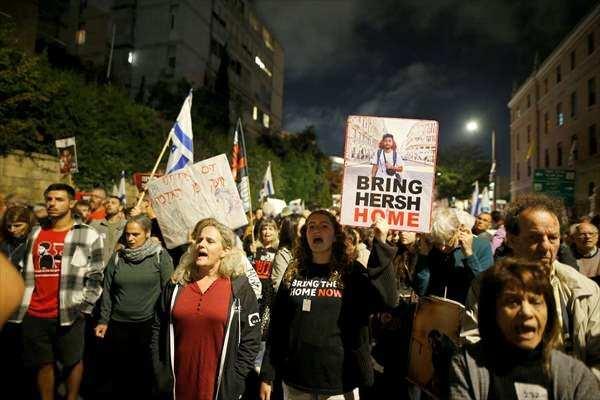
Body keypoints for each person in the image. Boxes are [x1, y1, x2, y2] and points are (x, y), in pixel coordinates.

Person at [259, 211, 398, 400]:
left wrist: (381, 243)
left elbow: (387, 300)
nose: (317, 230)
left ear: (335, 236)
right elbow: (279, 324)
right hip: (297, 381)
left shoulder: (351, 272)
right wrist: (267, 374)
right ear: (305, 235)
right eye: (311, 226)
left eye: (324, 226)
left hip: (339, 383)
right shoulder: (294, 271)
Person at [465, 193, 600, 379]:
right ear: (512, 240)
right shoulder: (486, 286)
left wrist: (579, 389)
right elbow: (473, 343)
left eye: (552, 238)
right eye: (534, 238)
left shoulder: (585, 289)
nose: (545, 247)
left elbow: (596, 357)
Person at [450, 258, 600, 399]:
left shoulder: (576, 376)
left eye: (535, 302)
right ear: (492, 311)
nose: (527, 312)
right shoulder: (467, 368)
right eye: (512, 302)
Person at [9, 183, 104, 400]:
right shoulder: (35, 233)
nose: (52, 203)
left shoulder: (88, 235)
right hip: (34, 312)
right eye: (49, 199)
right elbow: (24, 269)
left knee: (73, 360)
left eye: (59, 199)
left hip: (70, 310)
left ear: (71, 203)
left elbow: (96, 275)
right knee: (43, 363)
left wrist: (84, 308)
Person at [151, 218, 260, 400]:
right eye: (199, 240)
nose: (201, 244)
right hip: (177, 387)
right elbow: (157, 328)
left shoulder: (239, 287)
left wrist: (234, 380)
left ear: (225, 251)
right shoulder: (177, 284)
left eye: (210, 241)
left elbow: (251, 339)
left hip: (218, 390)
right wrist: (160, 372)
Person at [95, 214, 173, 398]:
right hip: (118, 325)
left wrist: (164, 323)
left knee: (144, 375)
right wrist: (103, 320)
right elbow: (107, 290)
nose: (130, 238)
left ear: (147, 233)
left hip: (148, 326)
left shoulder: (159, 256)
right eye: (127, 234)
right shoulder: (118, 257)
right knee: (120, 376)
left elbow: (168, 292)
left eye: (135, 234)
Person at [414, 208, 494, 304]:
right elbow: (421, 290)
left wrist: (469, 254)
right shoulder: (431, 247)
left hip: (465, 310)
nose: (443, 247)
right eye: (438, 242)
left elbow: (484, 288)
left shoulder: (482, 246)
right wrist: (423, 255)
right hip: (432, 308)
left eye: (447, 240)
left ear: (459, 230)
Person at [271, 214, 305, 293]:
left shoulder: (312, 249)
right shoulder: (283, 254)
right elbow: (279, 285)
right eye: (303, 228)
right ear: (292, 231)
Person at [90, 195, 127, 264]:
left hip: (118, 266)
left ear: (120, 207)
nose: (109, 204)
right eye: (107, 203)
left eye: (113, 203)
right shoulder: (95, 225)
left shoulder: (126, 226)